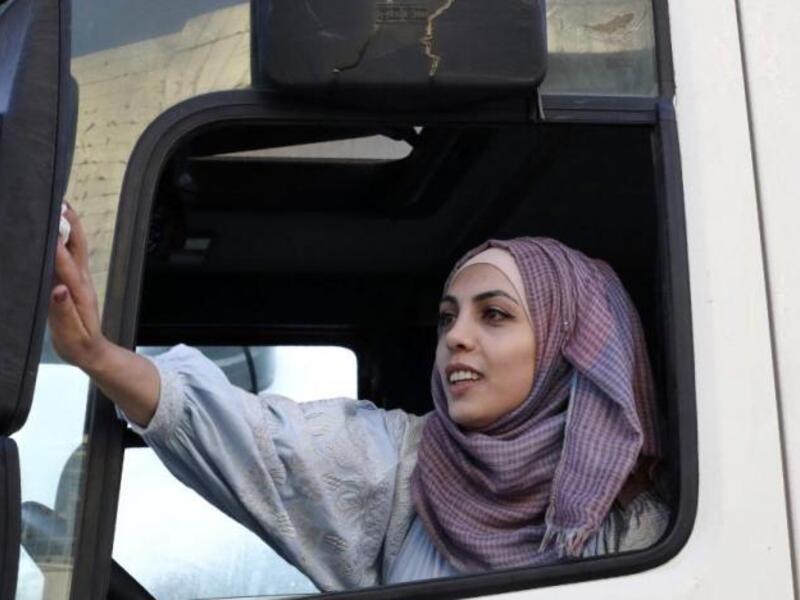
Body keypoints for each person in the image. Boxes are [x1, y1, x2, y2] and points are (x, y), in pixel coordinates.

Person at [49, 205, 669, 591]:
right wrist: (97, 356)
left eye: (495, 316)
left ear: (566, 348)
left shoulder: (638, 528)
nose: (457, 337)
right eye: (448, 318)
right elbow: (255, 438)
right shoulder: (407, 463)